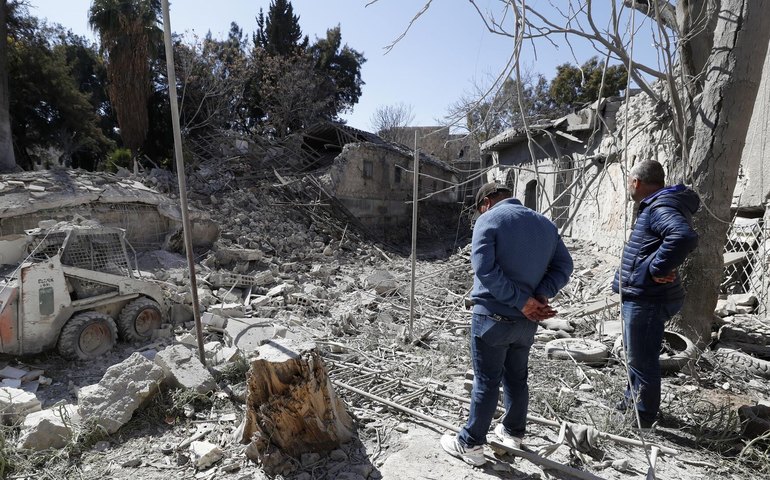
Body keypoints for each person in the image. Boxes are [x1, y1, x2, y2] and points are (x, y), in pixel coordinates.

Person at [441, 182, 574, 466]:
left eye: (480, 210)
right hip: (526, 322)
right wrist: (538, 295)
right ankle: (512, 434)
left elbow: (486, 271)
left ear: (486, 203)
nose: (480, 215)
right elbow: (564, 267)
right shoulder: (545, 224)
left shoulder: (488, 220)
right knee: (516, 376)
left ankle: (471, 443)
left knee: (487, 381)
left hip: (492, 317)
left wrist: (522, 300)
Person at [612, 160, 699, 430]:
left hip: (648, 297)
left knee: (642, 358)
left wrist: (656, 268)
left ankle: (643, 418)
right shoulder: (660, 204)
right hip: (645, 294)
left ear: (636, 182)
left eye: (629, 181)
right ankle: (632, 403)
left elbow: (683, 236)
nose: (629, 186)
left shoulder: (660, 205)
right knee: (637, 355)